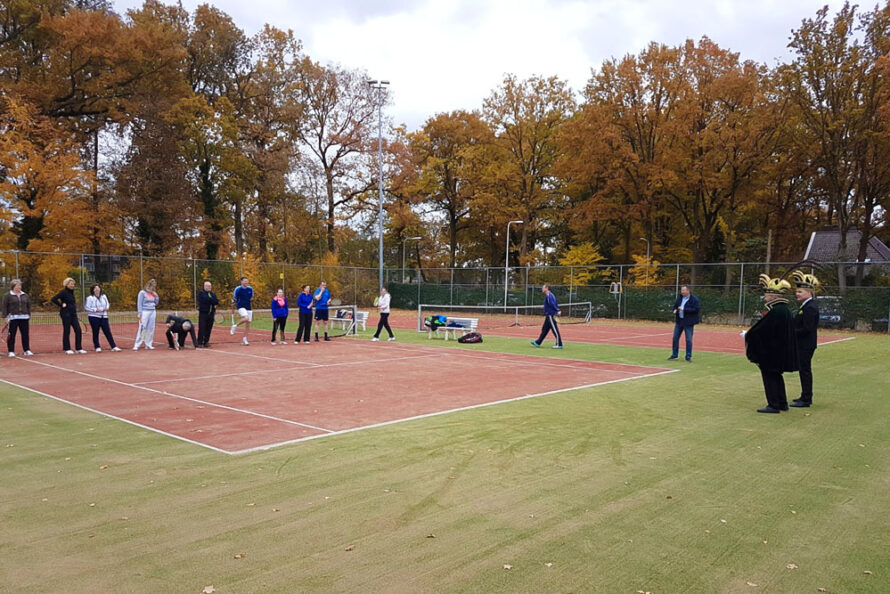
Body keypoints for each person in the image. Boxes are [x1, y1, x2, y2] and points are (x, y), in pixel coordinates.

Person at [744, 274, 799, 413]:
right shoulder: (783, 310)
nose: (765, 298)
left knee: (770, 377)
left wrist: (748, 334)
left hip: (772, 352)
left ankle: (774, 404)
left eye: (767, 295)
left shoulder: (776, 311)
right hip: (778, 350)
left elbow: (763, 330)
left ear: (774, 296)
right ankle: (781, 402)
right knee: (776, 376)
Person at [791, 270, 820, 408]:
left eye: (800, 292)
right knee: (803, 370)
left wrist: (791, 333)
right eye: (797, 291)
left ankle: (807, 399)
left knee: (805, 370)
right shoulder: (806, 306)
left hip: (806, 344)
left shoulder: (810, 307)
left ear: (809, 292)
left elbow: (807, 328)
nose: (797, 294)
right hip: (803, 344)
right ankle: (804, 396)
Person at [51, 277, 86, 354]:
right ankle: (67, 348)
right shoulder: (63, 292)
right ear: (66, 284)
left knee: (78, 330)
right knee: (67, 331)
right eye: (71, 284)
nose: (72, 285)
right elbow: (53, 299)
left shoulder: (72, 292)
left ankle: (78, 348)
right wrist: (61, 305)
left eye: (73, 284)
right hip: (65, 314)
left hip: (73, 314)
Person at [84, 284, 121, 352]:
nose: (97, 290)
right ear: (93, 290)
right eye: (95, 289)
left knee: (107, 331)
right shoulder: (90, 298)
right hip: (94, 317)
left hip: (104, 316)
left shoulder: (104, 296)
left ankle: (113, 346)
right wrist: (95, 310)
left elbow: (107, 305)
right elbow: (87, 307)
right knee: (95, 332)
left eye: (98, 288)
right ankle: (97, 347)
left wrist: (104, 308)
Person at [2, 279, 33, 357]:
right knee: (12, 335)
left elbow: (29, 305)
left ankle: (27, 350)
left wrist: (29, 314)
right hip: (12, 318)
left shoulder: (25, 295)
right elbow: (4, 307)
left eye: (20, 285)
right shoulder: (7, 295)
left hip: (24, 317)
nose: (19, 287)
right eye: (17, 286)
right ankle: (11, 351)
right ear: (13, 287)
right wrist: (5, 317)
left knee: (25, 335)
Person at [669, 285, 700, 361]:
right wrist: (675, 310)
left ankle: (688, 356)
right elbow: (675, 306)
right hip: (679, 321)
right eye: (681, 290)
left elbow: (696, 309)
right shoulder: (679, 298)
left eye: (683, 290)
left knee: (688, 339)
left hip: (688, 322)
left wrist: (684, 309)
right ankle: (674, 355)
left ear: (688, 291)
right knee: (675, 338)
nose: (682, 292)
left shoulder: (694, 299)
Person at [530, 284, 563, 349]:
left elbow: (553, 304)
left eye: (543, 288)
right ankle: (538, 342)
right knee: (544, 329)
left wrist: (558, 310)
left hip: (551, 315)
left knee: (554, 330)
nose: (542, 289)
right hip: (548, 315)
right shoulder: (549, 295)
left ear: (547, 288)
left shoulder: (550, 296)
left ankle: (559, 344)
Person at [134, 279, 159, 350]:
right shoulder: (142, 293)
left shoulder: (153, 293)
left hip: (152, 311)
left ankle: (148, 344)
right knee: (142, 327)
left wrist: (156, 296)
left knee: (150, 328)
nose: (153, 288)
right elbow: (139, 303)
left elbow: (156, 303)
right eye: (152, 286)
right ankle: (137, 344)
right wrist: (140, 313)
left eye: (154, 287)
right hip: (145, 311)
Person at [230, 276, 254, 346]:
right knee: (246, 318)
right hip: (240, 306)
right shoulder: (238, 289)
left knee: (248, 324)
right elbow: (234, 298)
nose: (246, 282)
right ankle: (235, 326)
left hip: (248, 307)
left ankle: (245, 339)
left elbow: (251, 298)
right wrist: (233, 303)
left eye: (247, 281)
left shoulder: (250, 289)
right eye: (245, 281)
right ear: (241, 282)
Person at [197, 281, 219, 348]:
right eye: (208, 286)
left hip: (211, 314)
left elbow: (216, 301)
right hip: (203, 313)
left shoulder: (213, 294)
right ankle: (200, 342)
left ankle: (206, 342)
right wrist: (211, 301)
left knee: (209, 328)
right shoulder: (201, 293)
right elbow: (204, 300)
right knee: (202, 328)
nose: (209, 287)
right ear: (205, 286)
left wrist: (211, 301)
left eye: (210, 286)